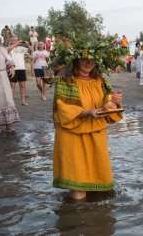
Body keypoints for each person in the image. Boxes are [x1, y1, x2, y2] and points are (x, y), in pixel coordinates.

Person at [52, 51, 123, 200]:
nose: (88, 63)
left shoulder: (100, 80)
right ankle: (76, 217)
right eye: (84, 59)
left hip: (96, 134)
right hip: (71, 135)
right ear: (76, 60)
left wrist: (113, 101)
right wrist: (87, 112)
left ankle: (88, 219)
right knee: (78, 189)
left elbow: (106, 103)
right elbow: (62, 108)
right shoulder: (65, 81)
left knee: (98, 185)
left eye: (92, 60)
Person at [8, 36, 30, 105]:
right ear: (11, 41)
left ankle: (23, 101)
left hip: (21, 68)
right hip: (13, 69)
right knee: (12, 86)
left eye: (16, 40)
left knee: (23, 86)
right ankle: (11, 102)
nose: (15, 41)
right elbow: (8, 50)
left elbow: (31, 51)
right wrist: (17, 43)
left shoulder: (21, 48)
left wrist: (28, 44)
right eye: (13, 40)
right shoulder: (9, 48)